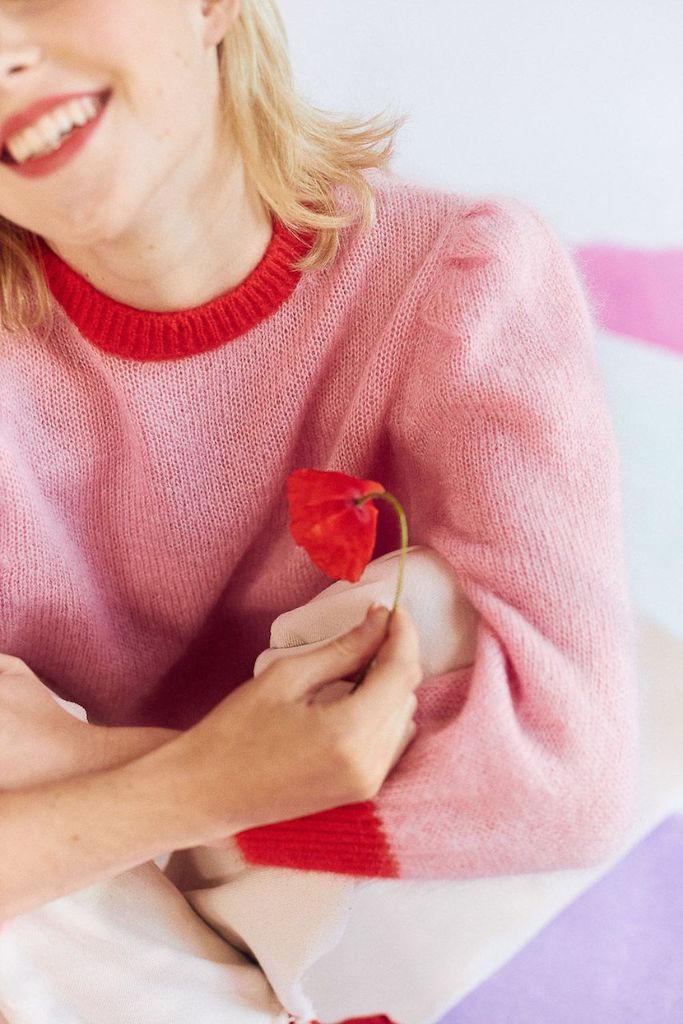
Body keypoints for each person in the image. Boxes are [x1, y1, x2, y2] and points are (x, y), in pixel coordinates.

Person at [0, 0, 640, 1021]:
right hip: (102, 911)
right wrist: (202, 785)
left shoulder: (459, 282)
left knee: (425, 610)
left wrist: (105, 790)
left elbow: (567, 771)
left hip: (325, 897)